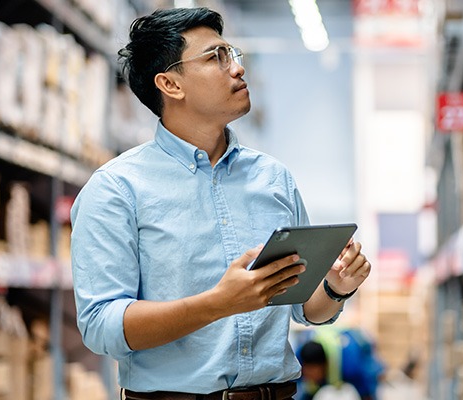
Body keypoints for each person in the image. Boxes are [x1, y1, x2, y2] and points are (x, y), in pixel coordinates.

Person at [71, 7, 373, 400]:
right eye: (216, 58)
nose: (237, 69)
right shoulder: (116, 189)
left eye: (233, 55)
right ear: (170, 84)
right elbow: (102, 326)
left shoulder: (273, 178)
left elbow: (305, 309)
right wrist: (217, 304)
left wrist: (335, 287)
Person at [293, 326, 385, 400]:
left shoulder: (351, 368)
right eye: (306, 373)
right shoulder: (298, 360)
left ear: (325, 366)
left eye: (312, 373)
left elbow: (366, 393)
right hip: (324, 340)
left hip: (357, 344)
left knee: (372, 378)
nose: (309, 376)